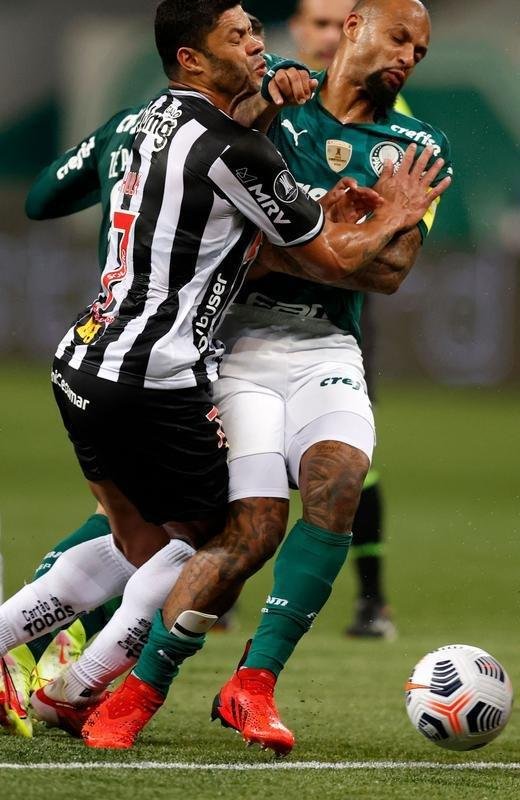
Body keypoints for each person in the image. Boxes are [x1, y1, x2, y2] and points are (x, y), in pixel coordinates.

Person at [0, 0, 448, 745]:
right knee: (213, 532)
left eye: (259, 34)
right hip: (182, 364)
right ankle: (82, 683)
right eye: (242, 37)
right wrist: (368, 220)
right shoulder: (244, 138)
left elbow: (378, 270)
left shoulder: (149, 123)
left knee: (152, 528)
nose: (260, 46)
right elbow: (317, 254)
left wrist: (328, 220)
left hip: (100, 352)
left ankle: (89, 669)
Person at [290, 0, 414, 638]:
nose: (325, 35)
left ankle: (372, 599)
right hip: (224, 317)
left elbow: (392, 265)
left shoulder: (404, 131)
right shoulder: (267, 105)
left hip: (333, 320)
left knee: (352, 456)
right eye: (316, 22)